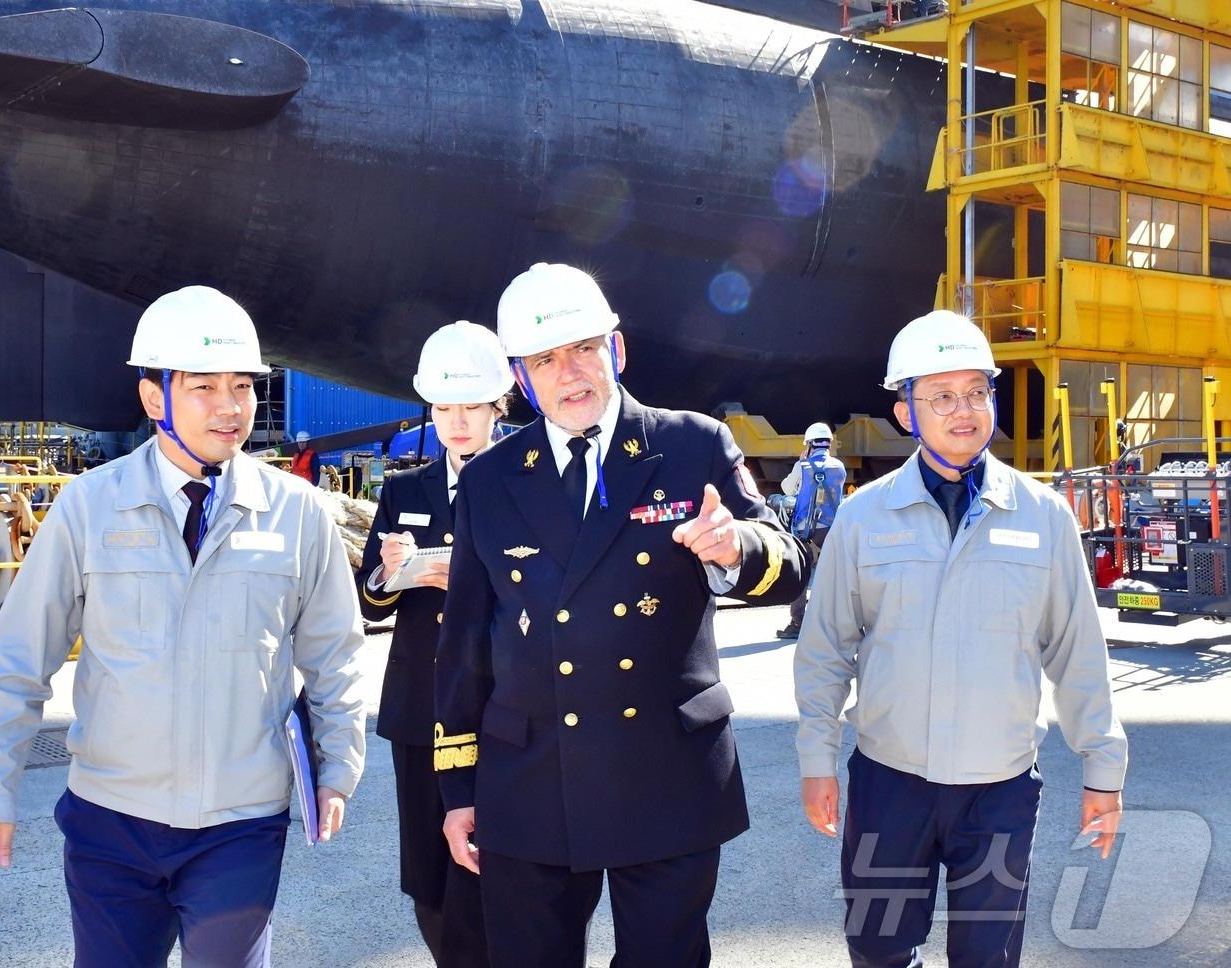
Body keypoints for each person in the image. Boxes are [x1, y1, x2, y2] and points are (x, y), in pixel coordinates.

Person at [0, 286, 367, 968]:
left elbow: (336, 656)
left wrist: (338, 768)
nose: (231, 406)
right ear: (155, 399)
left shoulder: (296, 514)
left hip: (240, 825)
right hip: (110, 825)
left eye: (243, 385)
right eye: (204, 386)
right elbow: (18, 659)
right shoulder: (90, 507)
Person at [435, 263, 810, 967]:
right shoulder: (488, 480)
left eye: (584, 348)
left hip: (663, 772)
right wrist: (458, 788)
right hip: (529, 779)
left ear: (618, 348)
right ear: (520, 377)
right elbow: (463, 648)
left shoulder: (691, 444)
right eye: (545, 359)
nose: (570, 373)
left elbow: (788, 565)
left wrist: (735, 548)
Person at [794, 309, 1128, 968]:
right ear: (904, 412)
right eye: (941, 396)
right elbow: (826, 647)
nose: (964, 410)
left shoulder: (1043, 518)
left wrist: (1103, 769)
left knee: (988, 955)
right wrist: (816, 756)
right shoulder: (864, 518)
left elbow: (1077, 653)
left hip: (998, 788)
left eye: (977, 391)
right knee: (878, 946)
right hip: (889, 784)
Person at [356, 320, 512, 968]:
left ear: (498, 407)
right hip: (422, 706)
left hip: (506, 706)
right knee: (428, 870)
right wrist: (390, 574)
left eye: (470, 407)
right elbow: (368, 599)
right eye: (444, 408)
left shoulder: (528, 484)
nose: (456, 421)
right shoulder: (403, 490)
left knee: (500, 864)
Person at [778, 422, 848, 638]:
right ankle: (832, 625)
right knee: (831, 577)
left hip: (804, 530)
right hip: (831, 529)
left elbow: (787, 489)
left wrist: (800, 464)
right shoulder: (839, 467)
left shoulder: (804, 466)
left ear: (809, 444)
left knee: (801, 574)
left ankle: (798, 623)